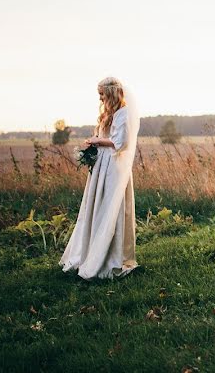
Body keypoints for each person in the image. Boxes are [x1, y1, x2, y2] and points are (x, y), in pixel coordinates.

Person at [60, 77, 140, 279]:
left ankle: (109, 256)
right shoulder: (109, 113)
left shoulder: (123, 113)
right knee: (96, 207)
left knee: (109, 207)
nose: (100, 98)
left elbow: (120, 142)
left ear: (112, 94)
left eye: (102, 94)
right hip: (101, 165)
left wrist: (98, 141)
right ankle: (89, 252)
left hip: (113, 166)